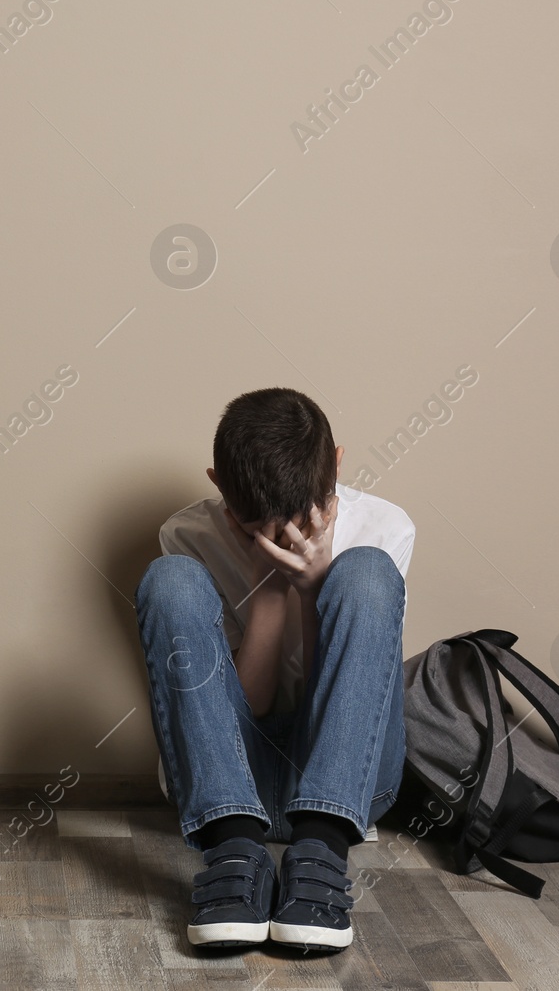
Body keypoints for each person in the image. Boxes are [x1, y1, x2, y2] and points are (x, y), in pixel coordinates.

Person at [134, 387, 414, 952]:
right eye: (255, 525)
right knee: (169, 582)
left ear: (335, 463)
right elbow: (248, 706)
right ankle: (233, 848)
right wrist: (268, 592)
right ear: (218, 485)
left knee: (366, 573)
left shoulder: (385, 527)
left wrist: (312, 592)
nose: (288, 536)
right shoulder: (187, 535)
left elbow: (343, 705)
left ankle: (321, 849)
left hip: (349, 784)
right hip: (231, 784)